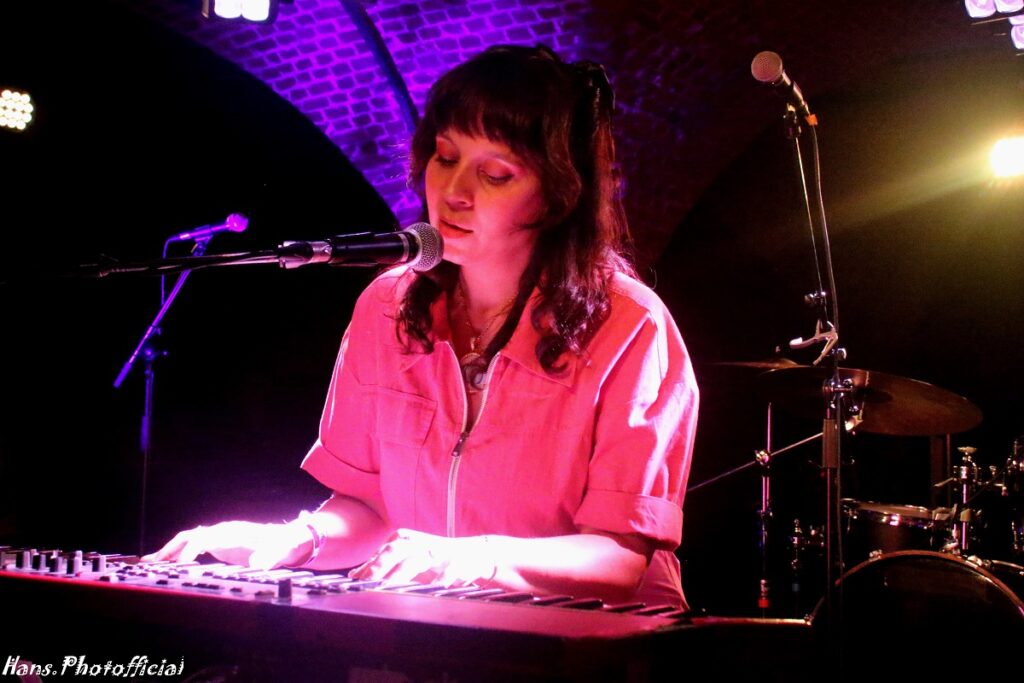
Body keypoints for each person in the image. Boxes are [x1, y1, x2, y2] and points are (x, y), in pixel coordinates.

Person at [147, 44, 699, 607]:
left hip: (601, 641)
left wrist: (467, 559)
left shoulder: (629, 324)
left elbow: (617, 558)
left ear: (556, 196)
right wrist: (298, 539)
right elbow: (369, 507)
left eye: (495, 174)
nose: (455, 193)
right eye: (445, 157)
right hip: (441, 631)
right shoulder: (387, 305)